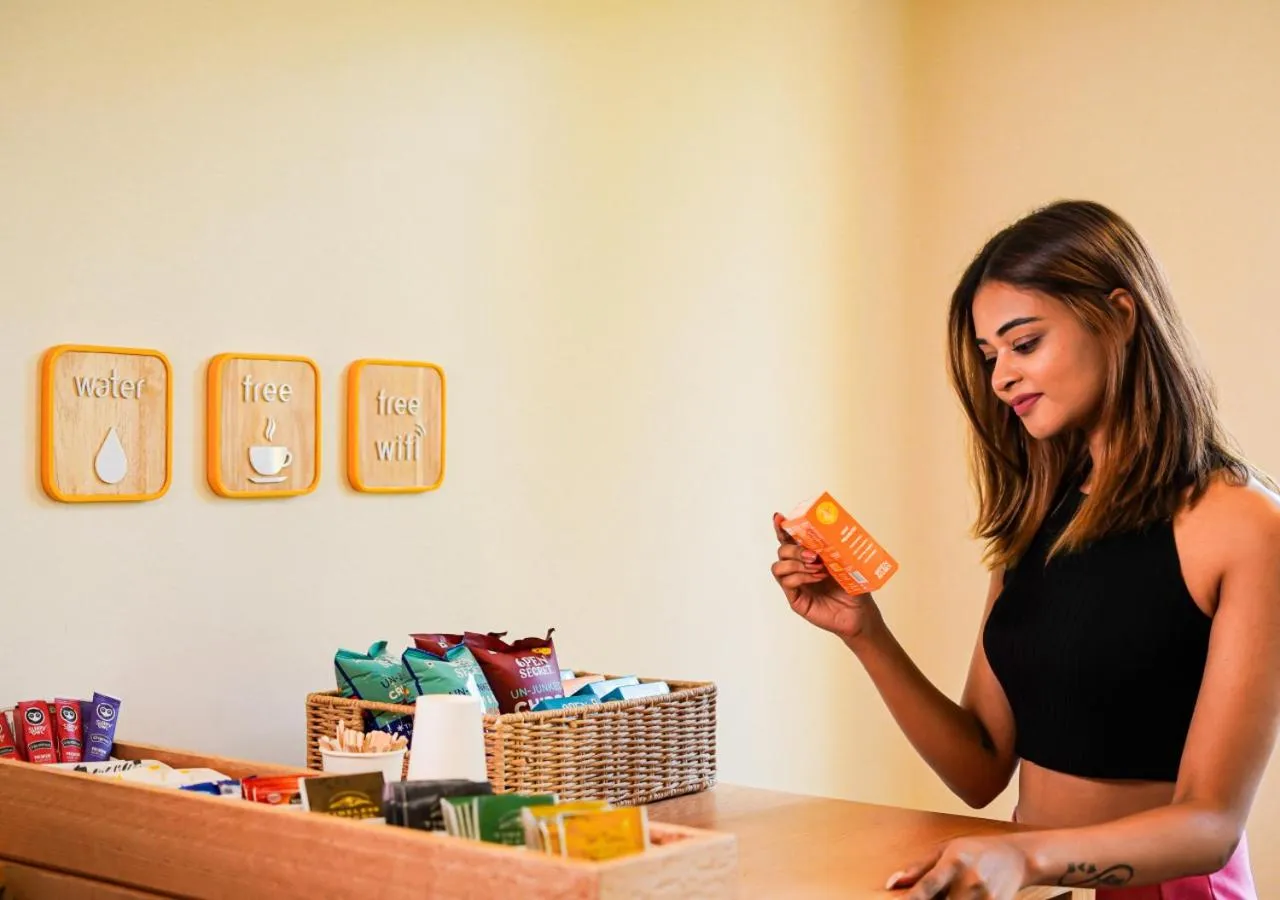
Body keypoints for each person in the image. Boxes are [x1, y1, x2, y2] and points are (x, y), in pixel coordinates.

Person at [771, 200, 1280, 899]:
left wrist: (1027, 857)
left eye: (1025, 343)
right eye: (990, 356)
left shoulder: (1245, 523)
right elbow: (981, 769)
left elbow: (1211, 824)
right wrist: (867, 633)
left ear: (1120, 316)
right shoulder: (1038, 513)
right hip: (1035, 888)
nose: (1000, 377)